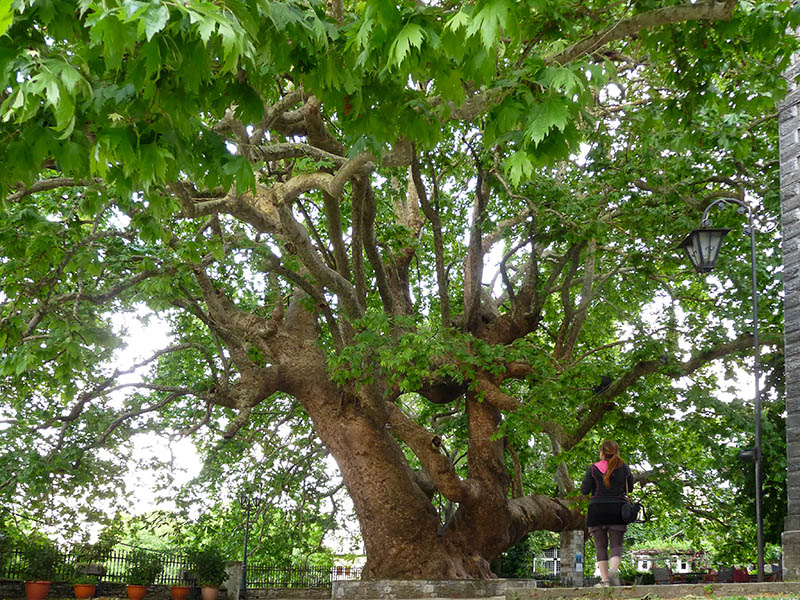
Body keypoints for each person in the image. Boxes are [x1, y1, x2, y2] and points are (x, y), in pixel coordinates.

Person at [580, 440, 634, 587]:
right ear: (617, 452)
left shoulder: (593, 469)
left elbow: (584, 490)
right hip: (617, 510)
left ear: (602, 452)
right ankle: (612, 573)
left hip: (597, 510)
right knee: (616, 545)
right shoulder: (625, 468)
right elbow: (631, 488)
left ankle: (605, 581)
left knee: (600, 546)